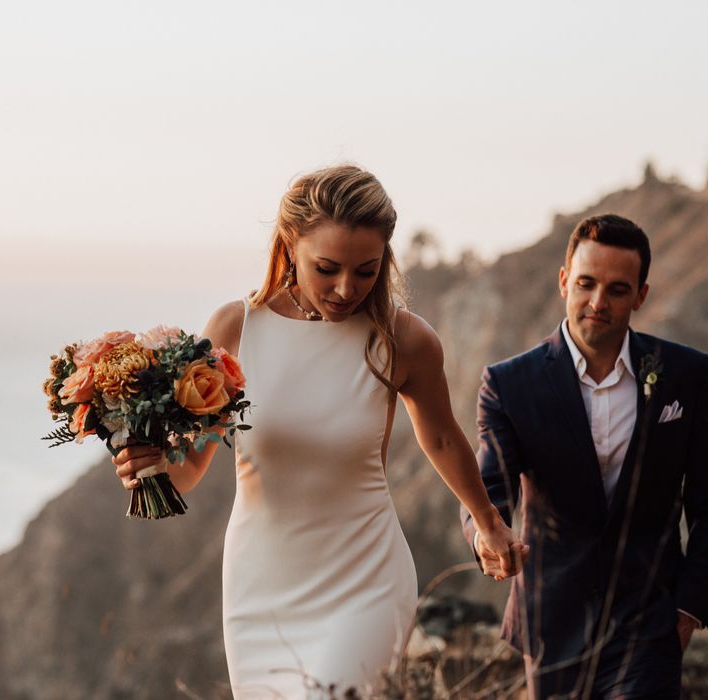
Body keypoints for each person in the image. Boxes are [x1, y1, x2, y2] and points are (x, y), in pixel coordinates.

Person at [113, 164, 526, 698]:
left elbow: (443, 438)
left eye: (367, 271)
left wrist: (490, 523)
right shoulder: (235, 330)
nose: (346, 289)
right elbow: (190, 469)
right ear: (289, 246)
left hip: (366, 581)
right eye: (327, 268)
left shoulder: (405, 340)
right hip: (260, 588)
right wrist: (147, 464)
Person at [462, 214, 708, 699]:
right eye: (586, 283)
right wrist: (484, 539)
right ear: (563, 282)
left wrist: (691, 607)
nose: (598, 302)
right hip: (552, 624)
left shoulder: (684, 374)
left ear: (641, 295)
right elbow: (488, 490)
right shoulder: (510, 385)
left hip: (649, 622)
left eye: (618, 290)